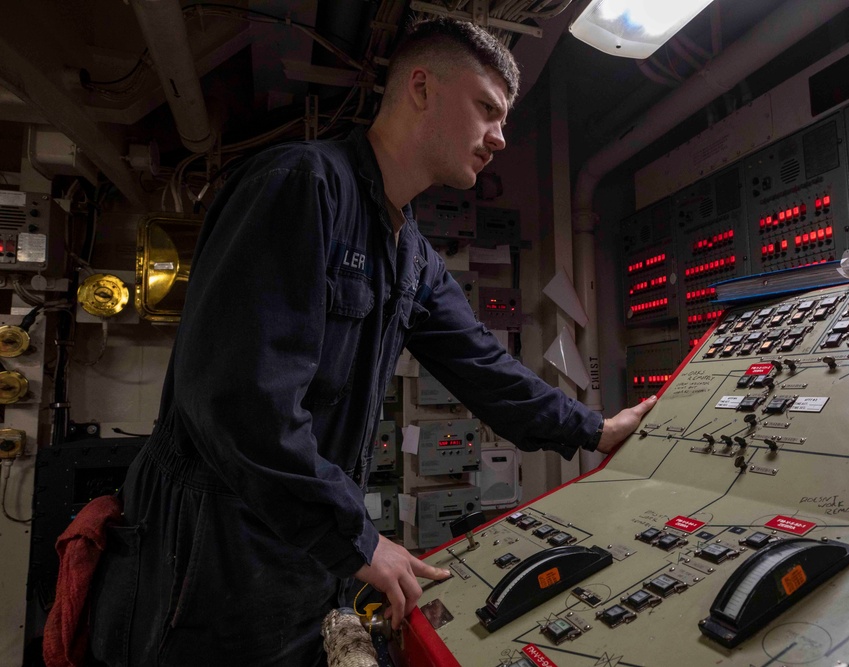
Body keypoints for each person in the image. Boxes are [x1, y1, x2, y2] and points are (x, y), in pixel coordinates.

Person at [87, 17, 657, 667]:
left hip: (301, 560)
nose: (500, 137)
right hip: (205, 566)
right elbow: (241, 399)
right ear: (421, 88)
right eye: (487, 109)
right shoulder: (302, 186)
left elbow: (482, 366)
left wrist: (595, 429)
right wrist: (359, 538)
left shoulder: (408, 249)